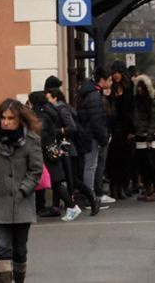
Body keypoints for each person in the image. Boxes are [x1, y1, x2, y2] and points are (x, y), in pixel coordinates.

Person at [0, 99, 44, 283]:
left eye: (11, 118)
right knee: (3, 249)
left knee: (20, 250)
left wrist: (23, 190)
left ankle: (19, 280)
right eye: (3, 118)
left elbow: (36, 170)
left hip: (22, 202)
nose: (6, 122)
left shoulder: (31, 141)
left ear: (20, 119)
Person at [48, 88, 100, 216]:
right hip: (65, 148)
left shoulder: (62, 110)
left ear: (55, 98)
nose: (47, 101)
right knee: (62, 179)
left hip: (69, 149)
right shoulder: (58, 110)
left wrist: (56, 132)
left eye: (48, 98)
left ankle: (93, 198)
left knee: (73, 180)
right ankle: (58, 207)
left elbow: (72, 127)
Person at [76, 67, 113, 205]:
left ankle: (89, 196)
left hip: (88, 134)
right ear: (102, 80)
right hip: (91, 136)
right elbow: (97, 120)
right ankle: (90, 197)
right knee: (91, 166)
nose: (111, 83)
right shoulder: (94, 96)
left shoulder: (88, 93)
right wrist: (103, 138)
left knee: (90, 166)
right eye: (109, 80)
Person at [107, 60, 136, 200]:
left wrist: (132, 130)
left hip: (126, 128)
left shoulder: (129, 88)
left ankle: (123, 186)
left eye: (118, 72)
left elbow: (132, 110)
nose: (116, 75)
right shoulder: (110, 89)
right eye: (114, 73)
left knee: (125, 159)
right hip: (114, 128)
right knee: (114, 160)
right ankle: (114, 187)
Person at [133, 75, 155, 201]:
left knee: (152, 163)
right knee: (143, 163)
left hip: (151, 135)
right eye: (138, 86)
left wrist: (149, 137)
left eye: (142, 86)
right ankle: (148, 187)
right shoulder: (137, 100)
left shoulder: (153, 100)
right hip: (140, 134)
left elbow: (154, 120)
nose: (140, 89)